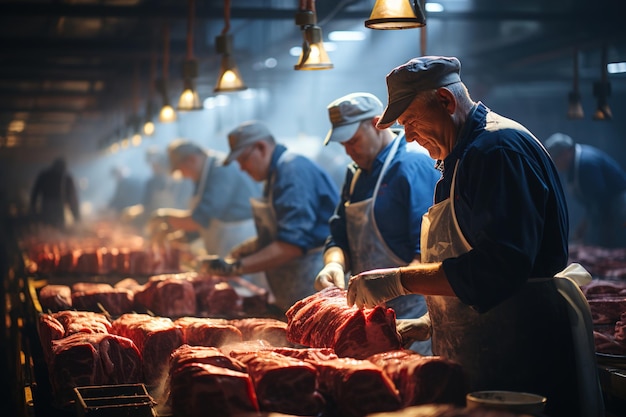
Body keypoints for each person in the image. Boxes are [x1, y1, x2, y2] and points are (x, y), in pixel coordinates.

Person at [345, 56, 604, 417]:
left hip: (520, 353)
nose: (409, 136)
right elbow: (473, 253)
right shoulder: (462, 154)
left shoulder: (496, 151)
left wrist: (400, 280)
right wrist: (433, 320)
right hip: (490, 345)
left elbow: (500, 267)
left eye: (412, 121)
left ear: (446, 102)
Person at [313, 92, 440, 354]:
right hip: (367, 315)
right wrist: (334, 264)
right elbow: (338, 236)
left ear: (376, 124)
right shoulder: (355, 175)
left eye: (354, 141)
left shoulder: (412, 164)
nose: (349, 151)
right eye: (343, 145)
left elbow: (429, 254)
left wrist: (393, 284)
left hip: (411, 316)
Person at [201, 120, 340, 314]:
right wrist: (254, 245)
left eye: (243, 159)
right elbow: (283, 231)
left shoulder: (292, 171)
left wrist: (235, 268)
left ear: (261, 147)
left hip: (312, 282)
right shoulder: (276, 174)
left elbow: (292, 245)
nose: (241, 168)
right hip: (296, 288)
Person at [150, 139, 262, 260]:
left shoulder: (222, 169)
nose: (183, 176)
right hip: (223, 243)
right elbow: (208, 222)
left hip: (239, 240)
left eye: (180, 170)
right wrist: (185, 237)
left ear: (191, 159)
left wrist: (163, 217)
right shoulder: (203, 176)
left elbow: (200, 219)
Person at [544, 132, 626, 248]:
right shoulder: (572, 166)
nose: (555, 163)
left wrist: (587, 228)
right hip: (603, 206)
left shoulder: (586, 164)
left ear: (566, 152)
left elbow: (601, 200)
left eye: (555, 158)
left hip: (619, 204)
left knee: (617, 244)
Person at [122, 147, 194, 228]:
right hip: (154, 223)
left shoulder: (183, 183)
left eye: (156, 165)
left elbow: (186, 208)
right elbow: (146, 205)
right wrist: (135, 211)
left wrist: (166, 216)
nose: (153, 168)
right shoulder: (152, 182)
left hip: (175, 225)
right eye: (152, 165)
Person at [29, 156, 81, 230]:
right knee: (56, 228)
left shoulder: (44, 175)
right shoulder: (66, 178)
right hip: (52, 208)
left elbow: (35, 193)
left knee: (48, 229)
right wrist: (77, 217)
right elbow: (72, 200)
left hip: (48, 208)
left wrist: (33, 209)